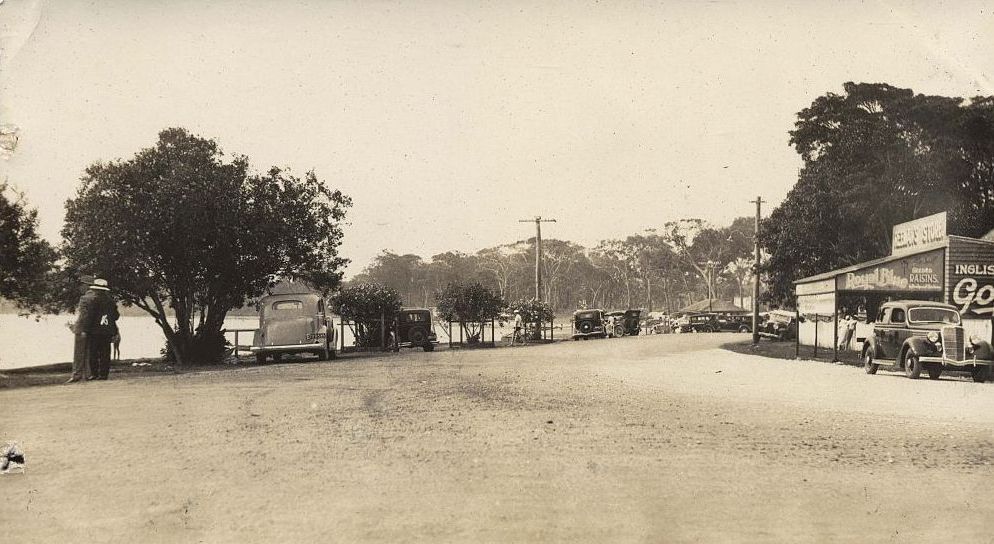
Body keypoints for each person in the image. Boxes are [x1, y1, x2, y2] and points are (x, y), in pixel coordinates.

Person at [67, 279, 102, 383]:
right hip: (94, 329)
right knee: (89, 353)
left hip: (82, 329)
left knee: (79, 353)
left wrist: (78, 328)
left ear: (86, 285)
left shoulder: (84, 298)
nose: (79, 287)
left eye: (81, 285)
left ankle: (76, 374)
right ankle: (88, 374)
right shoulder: (98, 298)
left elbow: (83, 316)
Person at [87, 279, 119, 381]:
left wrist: (87, 328)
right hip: (107, 330)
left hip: (95, 330)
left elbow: (90, 316)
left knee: (93, 352)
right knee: (105, 352)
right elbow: (116, 316)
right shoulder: (111, 302)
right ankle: (104, 374)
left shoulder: (93, 301)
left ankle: (94, 373)